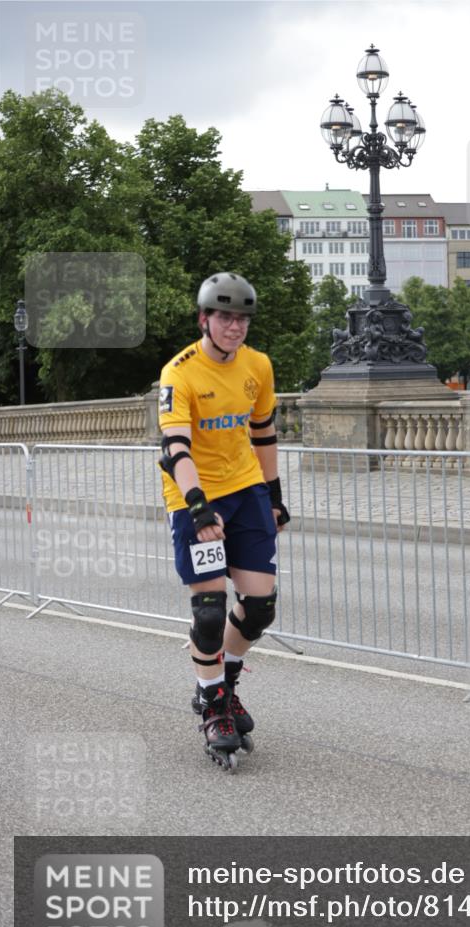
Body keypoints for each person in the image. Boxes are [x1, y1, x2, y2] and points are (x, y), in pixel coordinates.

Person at [158, 272, 289, 769]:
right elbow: (175, 448)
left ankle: (222, 686)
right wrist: (197, 505)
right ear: (204, 319)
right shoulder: (180, 372)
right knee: (210, 613)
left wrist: (274, 497)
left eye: (242, 319)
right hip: (194, 494)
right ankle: (213, 704)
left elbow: (264, 431)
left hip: (246, 490)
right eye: (225, 317)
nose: (235, 327)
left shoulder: (258, 366)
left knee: (260, 606)